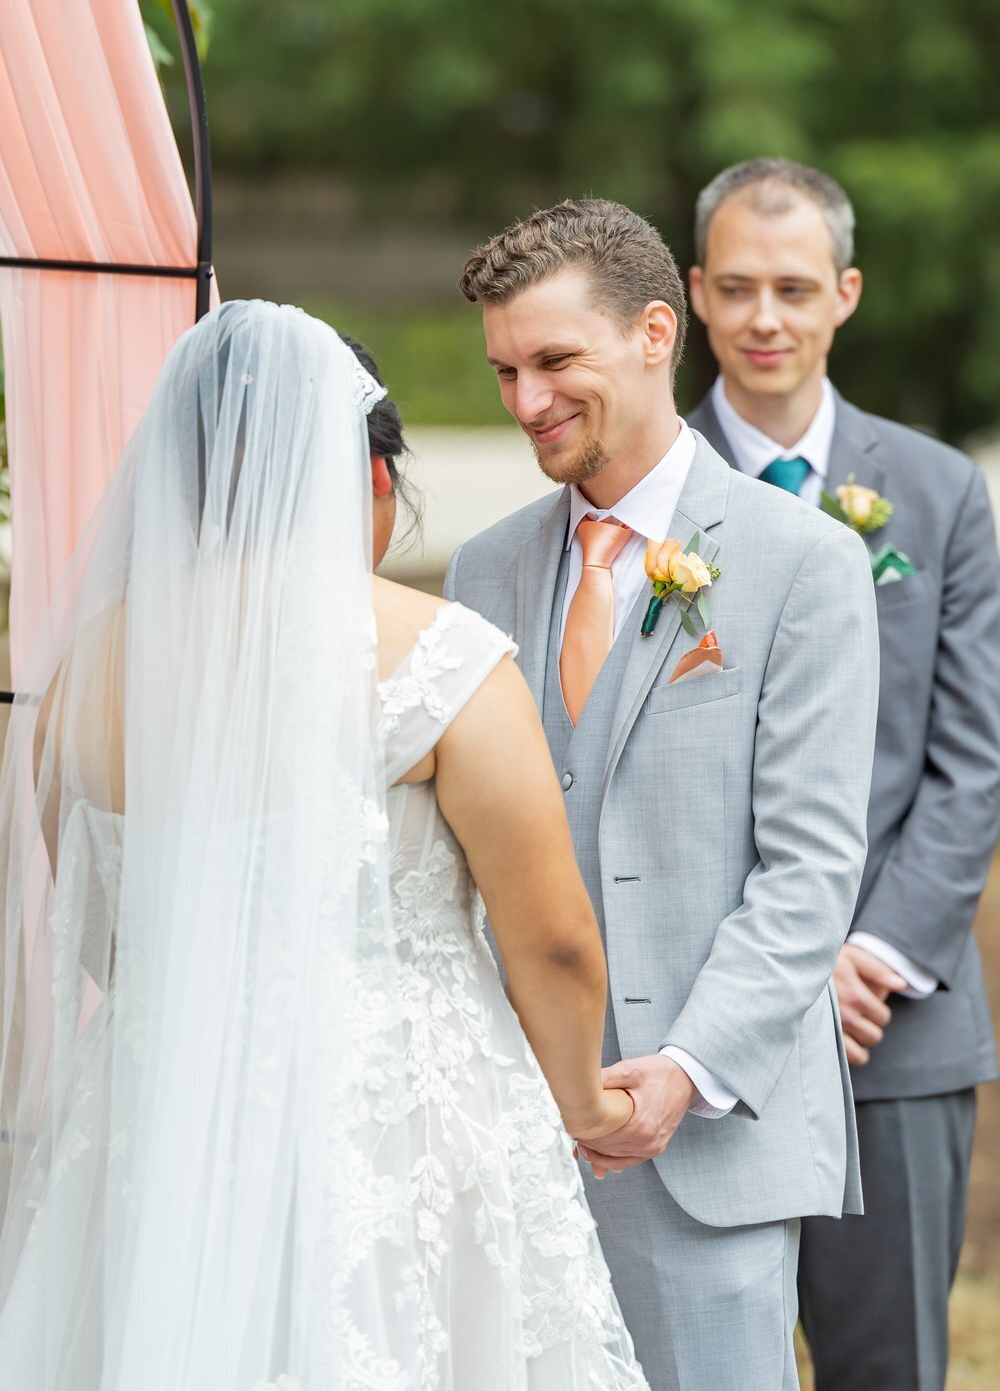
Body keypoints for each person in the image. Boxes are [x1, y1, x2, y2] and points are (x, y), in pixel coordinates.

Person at [0, 300, 650, 1390]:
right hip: (401, 1128)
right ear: (375, 475)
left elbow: (107, 937)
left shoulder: (82, 683)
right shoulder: (441, 657)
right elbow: (555, 941)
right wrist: (587, 1102)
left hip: (161, 1120)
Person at [446, 198, 880, 1391]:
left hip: (703, 1143)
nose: (525, 402)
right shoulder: (486, 568)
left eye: (552, 362)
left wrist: (683, 1071)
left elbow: (806, 876)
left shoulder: (803, 563)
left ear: (651, 333)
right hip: (516, 1132)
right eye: (503, 373)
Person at [686, 157, 1000, 1391]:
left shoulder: (935, 490)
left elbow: (971, 762)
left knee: (888, 1370)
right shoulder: (650, 493)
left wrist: (857, 958)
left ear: (845, 295)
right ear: (697, 297)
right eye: (740, 287)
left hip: (893, 1030)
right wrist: (767, 975)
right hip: (693, 1032)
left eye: (795, 288)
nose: (767, 318)